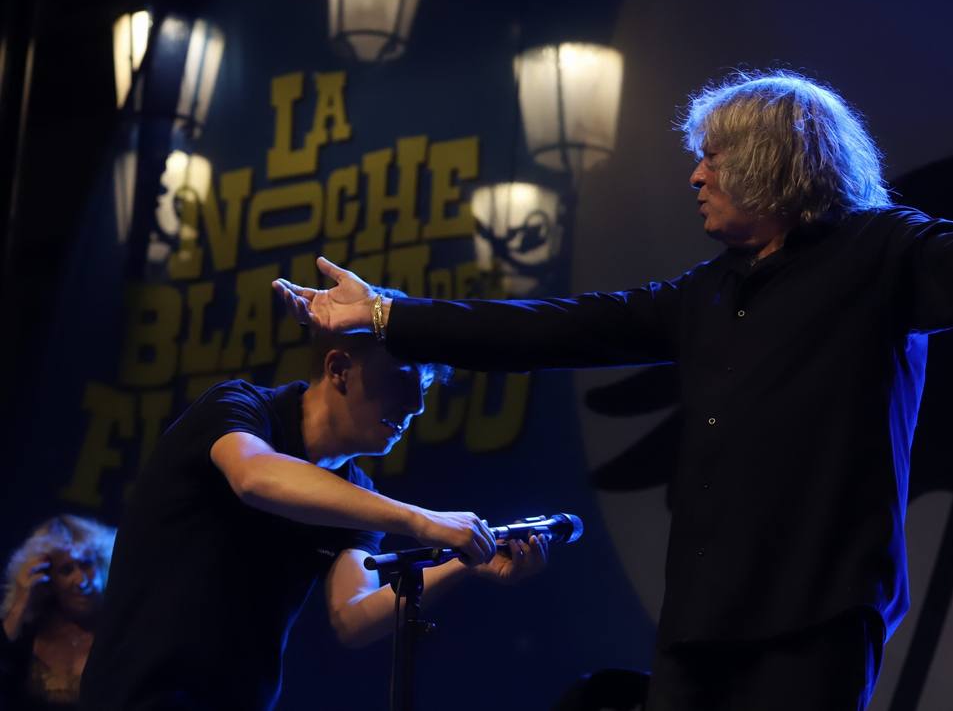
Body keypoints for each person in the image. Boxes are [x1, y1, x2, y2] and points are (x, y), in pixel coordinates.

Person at [274, 72, 953, 710]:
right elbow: (555, 328)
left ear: (776, 164)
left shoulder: (878, 254)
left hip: (817, 606)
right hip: (705, 611)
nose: (695, 175)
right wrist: (389, 317)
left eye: (712, 157)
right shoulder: (705, 293)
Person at [79, 287, 549, 711]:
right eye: (404, 380)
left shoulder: (357, 496)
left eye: (423, 390)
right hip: (137, 695)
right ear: (339, 370)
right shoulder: (241, 408)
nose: (417, 406)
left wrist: (464, 560)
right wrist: (422, 521)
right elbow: (255, 476)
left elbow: (353, 616)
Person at [2, 516, 116, 709]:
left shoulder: (120, 631)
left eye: (86, 565)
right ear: (47, 578)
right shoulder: (28, 633)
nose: (81, 581)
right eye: (66, 570)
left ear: (102, 565)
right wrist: (21, 603)